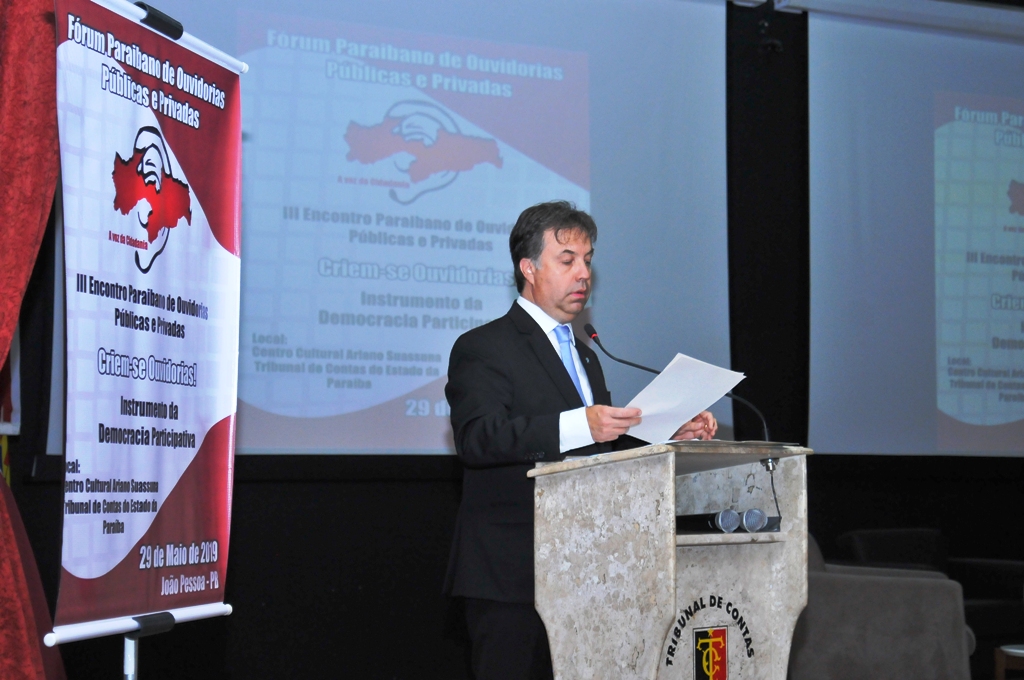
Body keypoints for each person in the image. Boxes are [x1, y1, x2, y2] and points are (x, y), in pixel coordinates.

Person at [443, 201, 717, 680]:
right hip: (512, 575)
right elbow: (478, 438)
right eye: (567, 259)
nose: (583, 273)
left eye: (588, 260)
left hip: (587, 568)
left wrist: (666, 433)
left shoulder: (586, 354)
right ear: (529, 268)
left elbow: (601, 452)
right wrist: (578, 425)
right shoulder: (484, 346)